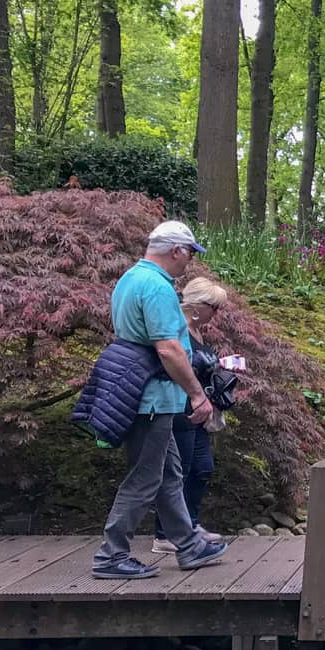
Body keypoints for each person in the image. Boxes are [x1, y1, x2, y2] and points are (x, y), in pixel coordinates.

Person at [88, 222, 230, 579]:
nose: (190, 262)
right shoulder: (156, 287)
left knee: (169, 474)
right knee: (145, 478)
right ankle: (111, 555)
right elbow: (168, 348)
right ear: (177, 250)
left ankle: (189, 544)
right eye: (190, 254)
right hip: (151, 400)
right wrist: (197, 394)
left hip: (148, 396)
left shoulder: (130, 279)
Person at [153, 278, 234, 555]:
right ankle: (165, 533)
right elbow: (175, 363)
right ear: (199, 307)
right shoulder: (178, 331)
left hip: (200, 410)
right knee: (179, 471)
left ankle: (191, 523)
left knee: (202, 468)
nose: (217, 314)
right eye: (215, 307)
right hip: (181, 408)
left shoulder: (197, 332)